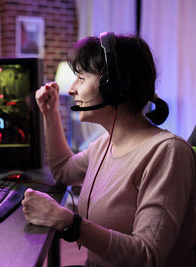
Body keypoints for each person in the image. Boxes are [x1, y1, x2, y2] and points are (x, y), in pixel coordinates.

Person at [21, 33, 196, 267]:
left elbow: (148, 256)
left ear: (115, 87)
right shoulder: (104, 144)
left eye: (81, 78)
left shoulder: (167, 153)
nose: (72, 89)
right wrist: (49, 114)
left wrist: (66, 220)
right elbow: (63, 171)